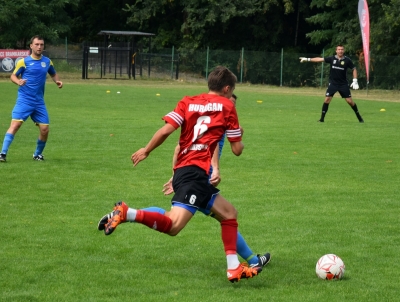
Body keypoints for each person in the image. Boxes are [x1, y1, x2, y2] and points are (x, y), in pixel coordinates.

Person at [98, 66, 263, 283]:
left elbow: (166, 130)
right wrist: (238, 135)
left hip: (185, 170)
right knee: (174, 225)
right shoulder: (227, 106)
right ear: (227, 88)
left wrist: (146, 150)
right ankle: (128, 213)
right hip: (196, 173)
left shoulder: (187, 101)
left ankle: (235, 267)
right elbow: (237, 150)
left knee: (229, 213)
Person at [137, 94, 271, 269]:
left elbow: (181, 148)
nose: (229, 107)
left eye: (233, 105)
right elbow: (212, 147)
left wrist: (176, 174)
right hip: (199, 178)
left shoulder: (214, 118)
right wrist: (215, 168)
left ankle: (251, 261)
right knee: (176, 223)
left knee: (227, 216)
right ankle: (127, 214)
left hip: (191, 174)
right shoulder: (217, 121)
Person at [0, 35, 63, 162]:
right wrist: (18, 81)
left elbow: (53, 72)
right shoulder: (24, 62)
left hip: (39, 102)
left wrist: (57, 81)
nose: (39, 47)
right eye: (37, 44)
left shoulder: (47, 61)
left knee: (45, 129)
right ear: (31, 46)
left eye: (41, 45)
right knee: (15, 125)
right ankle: (2, 154)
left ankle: (37, 155)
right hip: (24, 100)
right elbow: (13, 76)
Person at [299, 44, 364, 123]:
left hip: (343, 84)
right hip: (333, 83)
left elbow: (354, 69)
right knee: (327, 99)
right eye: (339, 49)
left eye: (342, 49)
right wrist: (307, 59)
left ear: (343, 51)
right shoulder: (331, 58)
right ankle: (321, 119)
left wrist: (355, 80)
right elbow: (319, 59)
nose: (340, 51)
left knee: (350, 102)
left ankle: (359, 117)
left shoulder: (347, 60)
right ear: (336, 51)